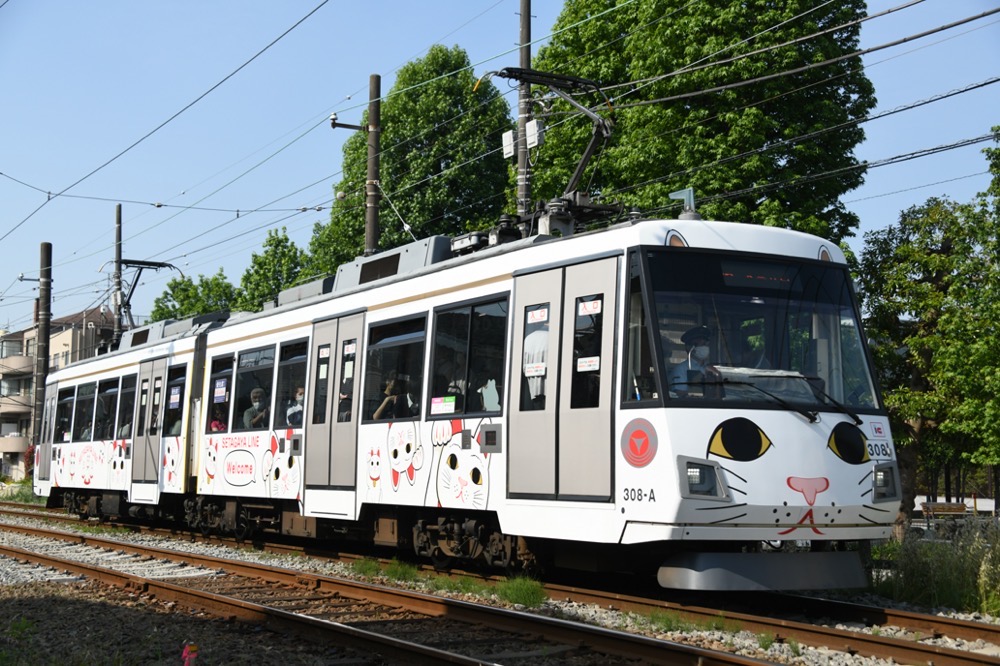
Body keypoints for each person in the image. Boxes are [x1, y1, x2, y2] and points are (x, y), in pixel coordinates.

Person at [668, 325, 721, 396]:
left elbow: (719, 396)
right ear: (689, 348)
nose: (705, 347)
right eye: (701, 344)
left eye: (706, 344)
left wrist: (717, 376)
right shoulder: (681, 369)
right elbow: (681, 395)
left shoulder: (711, 368)